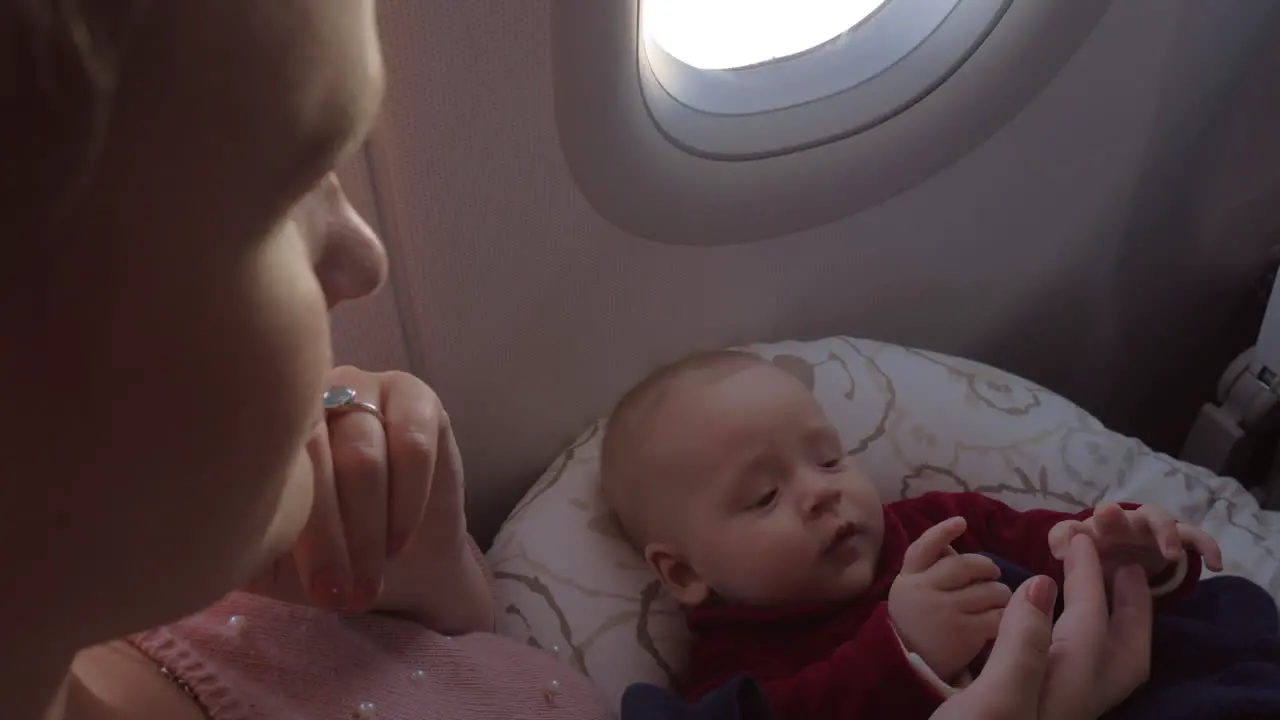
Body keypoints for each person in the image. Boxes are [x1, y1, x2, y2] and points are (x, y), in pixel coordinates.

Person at [0, 2, 1163, 719]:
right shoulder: (729, 667)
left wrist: (427, 582)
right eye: (273, 196)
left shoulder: (217, 596)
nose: (358, 259)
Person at [600, 350, 1224, 719]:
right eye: (765, 496)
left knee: (1228, 621)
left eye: (829, 460)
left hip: (1133, 685)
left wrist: (1127, 551)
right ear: (684, 573)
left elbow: (1060, 545)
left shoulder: (937, 523)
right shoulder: (738, 674)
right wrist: (902, 650)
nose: (822, 492)